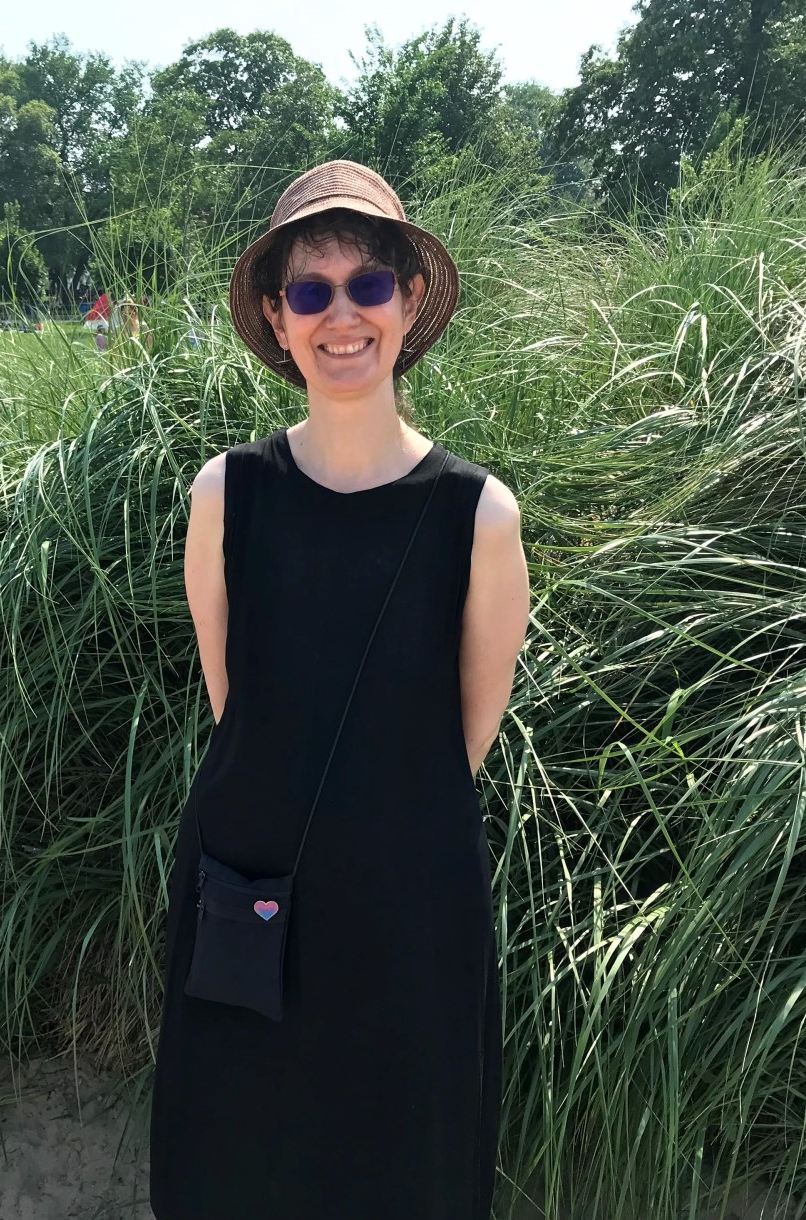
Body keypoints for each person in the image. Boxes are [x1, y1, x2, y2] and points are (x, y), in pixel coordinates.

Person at [149, 161, 531, 1220]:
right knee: (236, 1158)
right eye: (308, 291)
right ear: (277, 319)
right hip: (250, 892)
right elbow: (238, 703)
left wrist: (378, 827)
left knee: (400, 1160)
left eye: (367, 283)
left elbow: (464, 729)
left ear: (407, 301)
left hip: (413, 905)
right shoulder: (225, 494)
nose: (340, 314)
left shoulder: (479, 515)